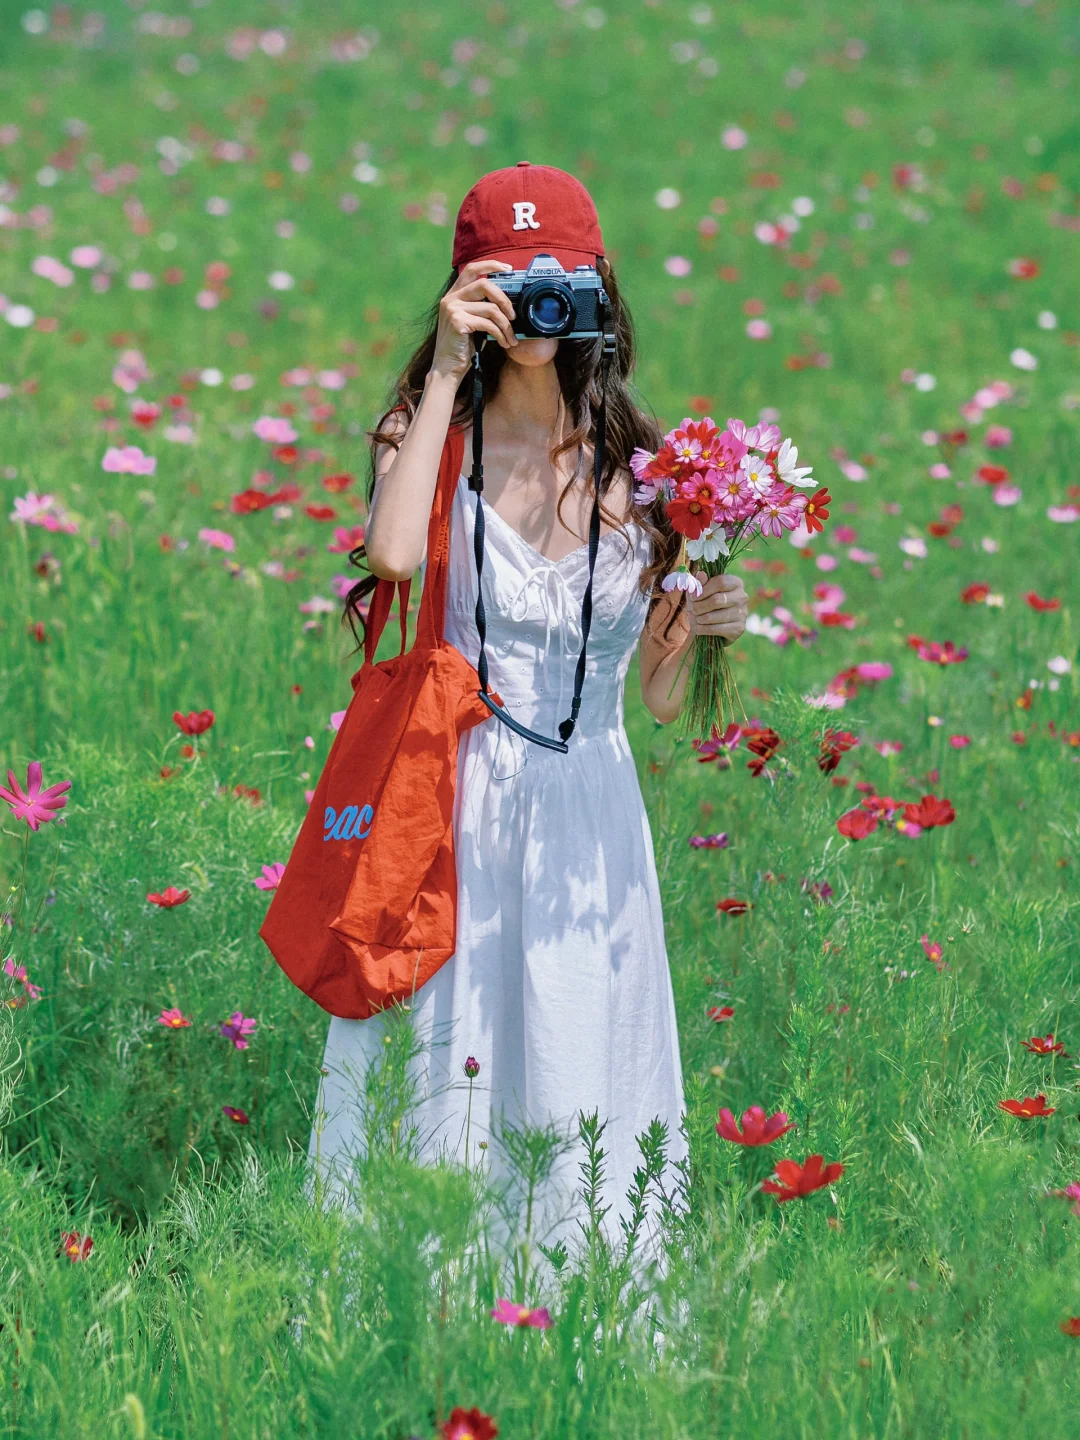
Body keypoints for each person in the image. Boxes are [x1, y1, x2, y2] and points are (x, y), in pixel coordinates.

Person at [308, 162, 748, 1255]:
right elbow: (391, 555)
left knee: (576, 1052)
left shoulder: (647, 471)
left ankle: (582, 1295)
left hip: (592, 807)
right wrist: (447, 371)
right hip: (452, 801)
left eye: (558, 283)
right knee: (446, 1056)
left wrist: (703, 629)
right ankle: (427, 1295)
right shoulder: (425, 437)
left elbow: (654, 701)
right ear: (467, 292)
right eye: (509, 284)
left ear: (597, 291)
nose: (537, 310)